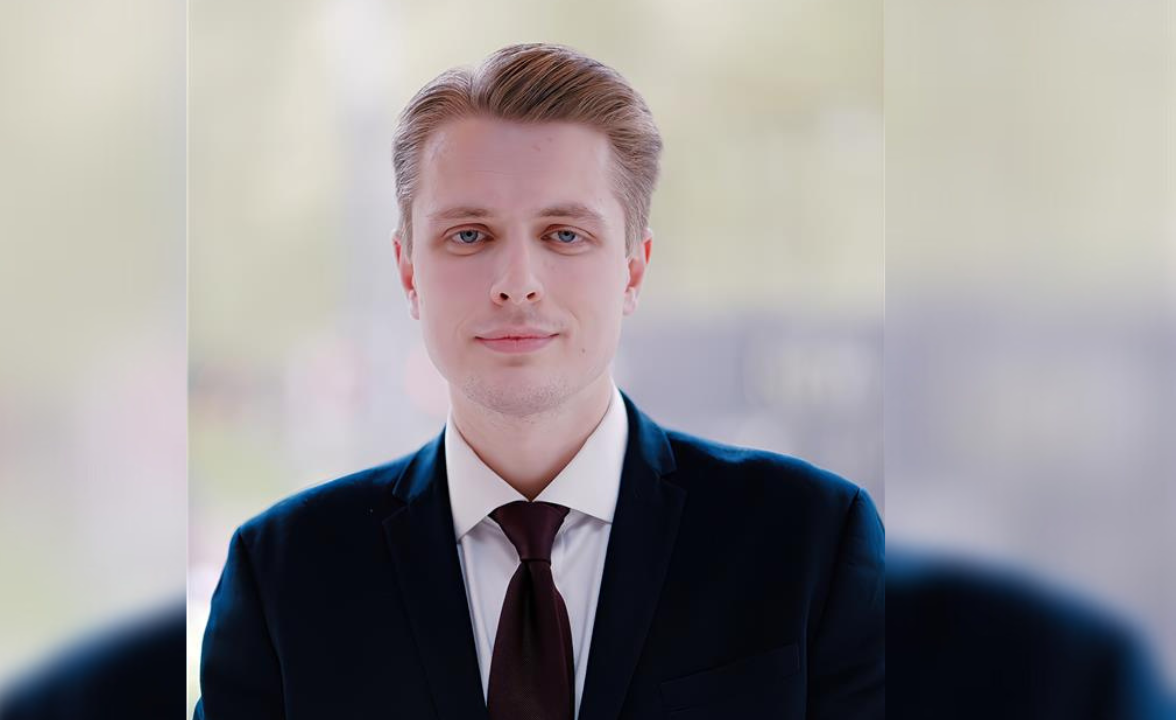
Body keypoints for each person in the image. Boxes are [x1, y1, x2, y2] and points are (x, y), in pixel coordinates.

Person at [195, 43, 884, 720]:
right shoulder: (286, 574)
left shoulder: (809, 541)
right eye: (469, 235)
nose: (516, 284)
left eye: (564, 235)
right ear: (409, 272)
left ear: (634, 269)